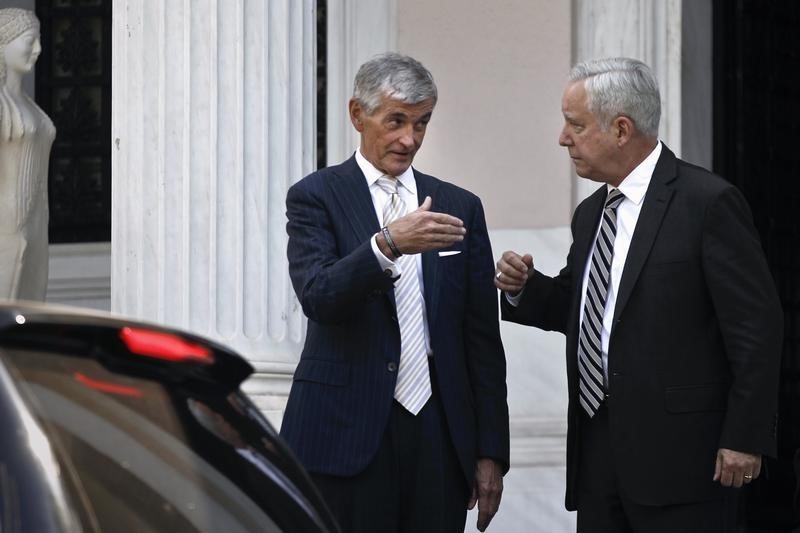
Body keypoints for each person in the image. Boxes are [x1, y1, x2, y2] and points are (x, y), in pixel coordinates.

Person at [495, 57, 782, 532]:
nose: (563, 138)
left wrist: (745, 437)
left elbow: (757, 328)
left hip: (686, 462)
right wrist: (526, 289)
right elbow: (584, 308)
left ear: (622, 129)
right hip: (598, 454)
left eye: (575, 125)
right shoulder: (591, 213)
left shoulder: (707, 203)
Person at [282, 52, 509, 532]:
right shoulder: (315, 196)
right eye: (397, 121)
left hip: (438, 432)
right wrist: (387, 246)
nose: (410, 139)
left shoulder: (458, 206)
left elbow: (481, 340)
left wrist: (491, 450)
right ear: (357, 115)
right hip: (344, 431)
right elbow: (318, 294)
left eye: (422, 123)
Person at [0, 8, 55, 301]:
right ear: (3, 44)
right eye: (30, 41)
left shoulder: (29, 106)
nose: (38, 50)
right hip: (6, 227)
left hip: (35, 225)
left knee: (28, 319)